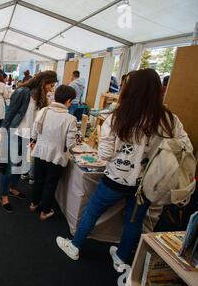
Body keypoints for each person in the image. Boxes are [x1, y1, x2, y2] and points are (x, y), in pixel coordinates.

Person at [56, 69, 193, 271]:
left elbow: (105, 155)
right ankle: (121, 258)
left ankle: (75, 245)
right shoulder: (168, 119)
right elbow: (184, 146)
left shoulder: (118, 117)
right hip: (147, 183)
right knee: (133, 221)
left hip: (115, 179)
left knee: (92, 212)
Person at [0, 70, 58, 213]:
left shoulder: (42, 97)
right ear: (44, 83)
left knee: (21, 164)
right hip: (15, 132)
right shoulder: (23, 92)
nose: (52, 88)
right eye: (51, 85)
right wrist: (2, 130)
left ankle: (13, 188)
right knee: (9, 166)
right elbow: (10, 112)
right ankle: (4, 196)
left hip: (28, 136)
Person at [29, 85, 77, 221]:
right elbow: (70, 144)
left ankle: (34, 204)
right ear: (68, 101)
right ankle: (44, 212)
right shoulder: (70, 119)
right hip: (56, 156)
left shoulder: (44, 110)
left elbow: (34, 132)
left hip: (40, 152)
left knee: (38, 180)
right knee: (50, 185)